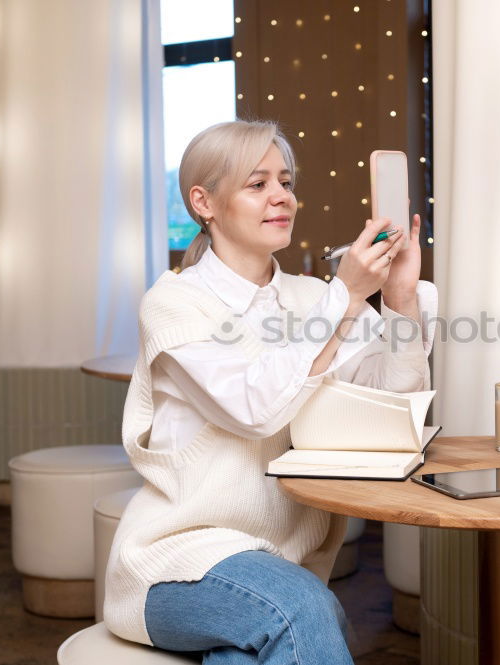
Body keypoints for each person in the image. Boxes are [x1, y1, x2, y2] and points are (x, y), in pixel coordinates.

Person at [103, 119, 437, 664]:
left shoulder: (311, 297)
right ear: (203, 202)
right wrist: (347, 297)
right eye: (257, 184)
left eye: (286, 182)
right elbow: (255, 408)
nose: (281, 196)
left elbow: (393, 395)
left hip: (280, 566)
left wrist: (399, 297)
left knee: (258, 647)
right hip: (179, 560)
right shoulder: (174, 304)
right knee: (301, 609)